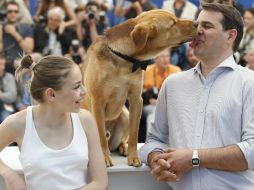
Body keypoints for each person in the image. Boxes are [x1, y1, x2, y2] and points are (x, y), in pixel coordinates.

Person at [139, 3, 254, 190]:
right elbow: (154, 140)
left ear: (231, 36)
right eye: (196, 24)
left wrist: (194, 158)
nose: (197, 31)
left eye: (207, 26)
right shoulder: (173, 83)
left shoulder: (249, 83)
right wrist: (155, 159)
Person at [0, 55, 108, 190]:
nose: (84, 91)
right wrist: (8, 174)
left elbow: (101, 182)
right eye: (76, 87)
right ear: (51, 94)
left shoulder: (86, 120)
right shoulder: (19, 123)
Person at [0, 1, 34, 74]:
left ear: (19, 13)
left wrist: (14, 33)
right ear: (5, 13)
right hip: (5, 65)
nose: (13, 14)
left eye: (16, 11)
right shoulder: (1, 28)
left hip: (20, 64)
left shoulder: (26, 28)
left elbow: (28, 49)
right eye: (10, 11)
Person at [0, 55, 17, 123]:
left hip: (5, 108)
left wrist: (0, 95)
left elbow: (12, 96)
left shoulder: (9, 77)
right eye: (0, 64)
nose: (2, 67)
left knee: (6, 119)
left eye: (4, 64)